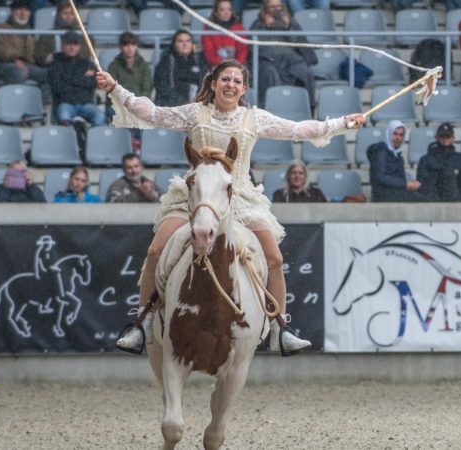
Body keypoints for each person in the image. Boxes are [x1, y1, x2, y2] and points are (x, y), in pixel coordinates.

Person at [97, 59, 366, 355]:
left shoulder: (255, 118)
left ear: (244, 88)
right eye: (226, 79)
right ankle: (143, 322)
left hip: (239, 198)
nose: (231, 85)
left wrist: (342, 123)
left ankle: (280, 328)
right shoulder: (195, 113)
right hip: (196, 196)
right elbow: (154, 114)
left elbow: (299, 129)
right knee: (155, 251)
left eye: (237, 81)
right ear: (213, 84)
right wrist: (116, 89)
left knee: (274, 258)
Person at [249, 0, 317, 108]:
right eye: (272, 7)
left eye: (278, 6)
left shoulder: (291, 22)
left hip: (291, 60)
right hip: (268, 61)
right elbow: (255, 48)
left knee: (305, 71)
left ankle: (309, 108)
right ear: (265, 8)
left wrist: (288, 27)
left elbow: (302, 44)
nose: (276, 10)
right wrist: (267, 28)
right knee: (269, 73)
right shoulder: (258, 23)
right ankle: (269, 109)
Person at [0, 0, 50, 103]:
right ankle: (16, 104)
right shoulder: (0, 28)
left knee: (50, 74)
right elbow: (1, 50)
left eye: (26, 10)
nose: (23, 14)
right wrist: (16, 60)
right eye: (19, 10)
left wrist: (48, 58)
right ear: (12, 11)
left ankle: (37, 107)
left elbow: (36, 56)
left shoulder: (30, 32)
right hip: (2, 65)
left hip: (26, 65)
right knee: (20, 73)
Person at [48, 31, 105, 128]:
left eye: (75, 44)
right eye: (69, 44)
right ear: (63, 45)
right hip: (65, 103)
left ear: (79, 46)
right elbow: (57, 86)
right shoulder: (55, 64)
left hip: (86, 104)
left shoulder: (87, 63)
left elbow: (93, 83)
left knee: (100, 116)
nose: (72, 47)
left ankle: (90, 141)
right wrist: (82, 78)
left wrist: (69, 79)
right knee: (64, 118)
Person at [106, 31, 152, 149]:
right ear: (121, 47)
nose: (130, 48)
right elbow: (111, 89)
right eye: (126, 45)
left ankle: (140, 146)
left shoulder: (144, 66)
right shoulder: (114, 66)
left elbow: (147, 88)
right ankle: (129, 144)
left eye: (133, 45)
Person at [367, 120, 430, 203]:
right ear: (389, 134)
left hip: (396, 192)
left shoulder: (398, 156)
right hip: (383, 195)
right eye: (395, 134)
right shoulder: (380, 152)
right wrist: (405, 184)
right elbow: (381, 177)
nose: (398, 138)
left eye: (401, 135)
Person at [416, 123, 461, 202]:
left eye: (448, 136)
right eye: (442, 136)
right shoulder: (426, 160)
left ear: (453, 138)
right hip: (435, 203)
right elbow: (423, 185)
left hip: (458, 204)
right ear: (436, 137)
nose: (445, 139)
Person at [153, 29, 209, 107]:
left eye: (188, 41)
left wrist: (197, 100)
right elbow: (163, 88)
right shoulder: (165, 62)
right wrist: (183, 103)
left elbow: (206, 84)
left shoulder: (200, 61)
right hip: (170, 107)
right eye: (180, 41)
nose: (185, 44)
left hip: (196, 106)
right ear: (174, 44)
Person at [35, 1, 90, 68]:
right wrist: (52, 57)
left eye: (72, 14)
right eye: (65, 13)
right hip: (51, 69)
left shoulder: (84, 35)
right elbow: (39, 56)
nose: (68, 17)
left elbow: (86, 54)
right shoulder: (47, 35)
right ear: (58, 15)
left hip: (76, 69)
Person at [201, 0, 248, 66]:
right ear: (216, 12)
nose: (226, 13)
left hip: (236, 66)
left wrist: (235, 64)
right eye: (222, 10)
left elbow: (242, 50)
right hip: (215, 66)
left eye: (229, 9)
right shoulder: (208, 28)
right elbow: (209, 52)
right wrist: (223, 63)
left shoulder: (239, 28)